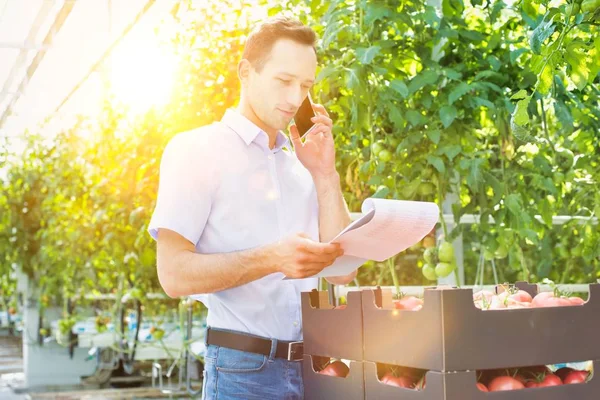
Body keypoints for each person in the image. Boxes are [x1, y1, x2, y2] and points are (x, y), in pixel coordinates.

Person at [148, 15, 357, 400]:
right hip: (243, 373)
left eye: (306, 86)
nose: (296, 99)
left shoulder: (302, 168)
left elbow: (343, 273)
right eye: (284, 81)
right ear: (246, 71)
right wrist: (273, 259)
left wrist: (326, 175)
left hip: (315, 369)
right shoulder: (196, 150)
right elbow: (173, 275)